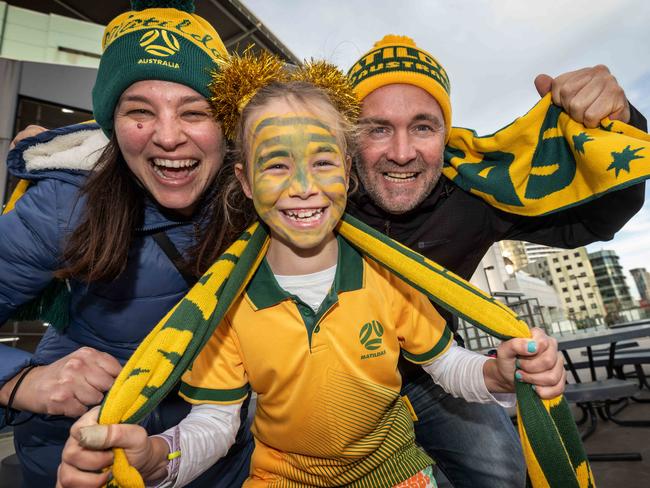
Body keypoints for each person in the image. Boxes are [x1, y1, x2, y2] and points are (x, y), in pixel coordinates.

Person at [55, 53, 565, 488]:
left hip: (399, 472)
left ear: (347, 171)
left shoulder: (387, 274)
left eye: (322, 162)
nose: (303, 186)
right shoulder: (224, 303)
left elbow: (448, 365)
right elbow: (214, 426)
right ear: (246, 181)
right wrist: (154, 460)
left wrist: (499, 373)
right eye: (276, 165)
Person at [345, 34, 648, 487]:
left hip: (435, 375)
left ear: (446, 134)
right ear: (348, 138)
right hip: (332, 384)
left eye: (423, 127)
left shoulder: (477, 195)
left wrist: (621, 122)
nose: (402, 152)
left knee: (503, 471)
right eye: (378, 128)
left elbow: (593, 221)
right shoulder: (315, 198)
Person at [0, 1, 253, 486]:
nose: (168, 136)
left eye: (194, 111)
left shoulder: (258, 198)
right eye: (140, 111)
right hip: (79, 457)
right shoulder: (67, 204)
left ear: (227, 126)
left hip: (217, 462)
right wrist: (23, 382)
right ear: (112, 124)